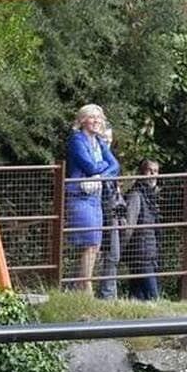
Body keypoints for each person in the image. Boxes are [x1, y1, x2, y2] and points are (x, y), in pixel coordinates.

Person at [65, 104, 119, 295]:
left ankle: (80, 285)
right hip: (79, 196)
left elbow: (116, 166)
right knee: (89, 242)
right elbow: (89, 166)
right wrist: (101, 170)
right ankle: (85, 286)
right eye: (92, 117)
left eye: (99, 117)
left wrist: (99, 175)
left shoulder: (99, 142)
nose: (96, 121)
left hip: (94, 197)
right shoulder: (77, 140)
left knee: (95, 243)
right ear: (82, 120)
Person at [123, 160, 161, 300]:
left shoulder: (151, 196)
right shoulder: (136, 195)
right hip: (140, 254)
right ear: (142, 173)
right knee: (153, 296)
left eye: (156, 171)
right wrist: (123, 249)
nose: (153, 175)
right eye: (149, 171)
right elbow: (129, 226)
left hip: (149, 253)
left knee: (137, 296)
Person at [96, 123, 126, 300]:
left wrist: (121, 215)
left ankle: (109, 295)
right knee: (95, 253)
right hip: (99, 210)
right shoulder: (96, 161)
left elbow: (117, 191)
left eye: (109, 139)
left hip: (111, 212)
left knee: (113, 254)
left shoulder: (111, 161)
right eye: (103, 139)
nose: (106, 142)